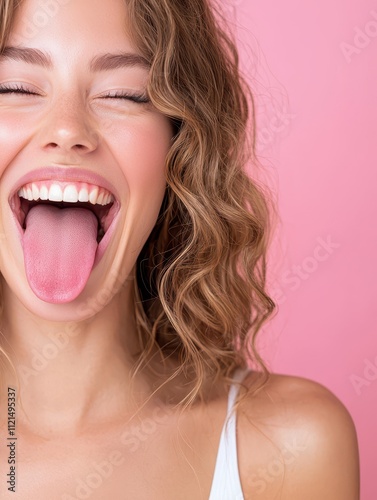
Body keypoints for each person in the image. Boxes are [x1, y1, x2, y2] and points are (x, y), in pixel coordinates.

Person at [0, 0, 359, 498]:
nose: (67, 131)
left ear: (181, 144)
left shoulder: (288, 448)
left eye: (124, 94)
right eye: (14, 87)